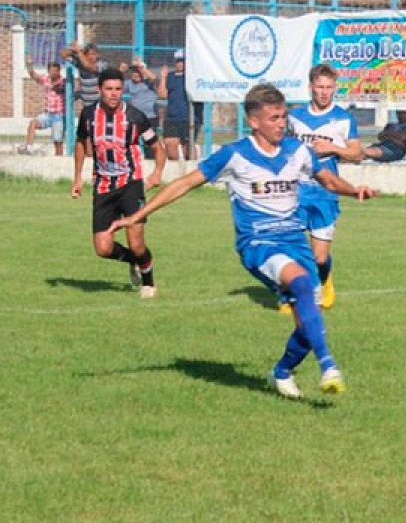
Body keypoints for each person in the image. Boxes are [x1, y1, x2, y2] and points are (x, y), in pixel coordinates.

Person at [107, 84, 378, 397]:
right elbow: (184, 184)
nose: (281, 123)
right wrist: (139, 214)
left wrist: (354, 189)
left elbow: (328, 179)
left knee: (308, 321)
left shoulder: (297, 151)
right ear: (254, 121)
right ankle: (328, 366)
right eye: (274, 117)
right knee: (303, 286)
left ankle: (282, 371)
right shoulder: (234, 154)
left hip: (295, 242)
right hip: (259, 244)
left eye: (283, 116)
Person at [71, 68, 166, 299]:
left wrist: (156, 173)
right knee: (103, 248)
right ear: (99, 90)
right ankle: (135, 262)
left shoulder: (135, 117)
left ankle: (149, 284)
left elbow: (157, 147)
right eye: (109, 89)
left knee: (136, 242)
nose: (114, 94)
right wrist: (77, 178)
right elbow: (81, 143)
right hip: (103, 186)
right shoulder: (89, 115)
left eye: (117, 89)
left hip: (131, 184)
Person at [286, 64, 363, 312]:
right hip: (296, 192)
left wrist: (333, 149)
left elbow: (356, 153)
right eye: (319, 87)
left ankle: (325, 280)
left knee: (319, 257)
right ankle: (295, 296)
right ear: (310, 87)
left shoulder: (343, 119)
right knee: (294, 249)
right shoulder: (295, 117)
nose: (324, 92)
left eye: (329, 87)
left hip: (325, 193)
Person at [19, 58, 66, 156]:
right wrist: (30, 65)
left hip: (59, 115)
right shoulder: (46, 79)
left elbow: (63, 88)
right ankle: (29, 149)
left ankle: (59, 160)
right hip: (47, 114)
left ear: (59, 71)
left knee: (58, 142)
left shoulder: (64, 82)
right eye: (51, 71)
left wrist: (56, 87)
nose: (53, 73)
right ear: (48, 71)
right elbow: (33, 75)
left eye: (56, 71)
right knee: (32, 123)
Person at [121, 57, 160, 159]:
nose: (136, 74)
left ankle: (151, 161)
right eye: (134, 71)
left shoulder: (149, 82)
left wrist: (142, 67)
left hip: (150, 117)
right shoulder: (129, 84)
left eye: (138, 71)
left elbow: (154, 78)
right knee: (132, 140)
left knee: (150, 143)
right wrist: (121, 71)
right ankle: (134, 160)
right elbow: (116, 83)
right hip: (136, 118)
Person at [157, 49, 193, 160]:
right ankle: (175, 172)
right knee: (170, 146)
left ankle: (191, 171)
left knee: (188, 149)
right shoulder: (171, 76)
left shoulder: (192, 77)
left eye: (183, 61)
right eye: (178, 61)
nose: (180, 64)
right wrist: (163, 77)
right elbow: (162, 95)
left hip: (188, 117)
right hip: (171, 117)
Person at [60, 42, 105, 111]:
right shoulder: (80, 64)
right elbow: (63, 54)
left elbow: (88, 66)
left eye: (93, 54)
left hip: (100, 105)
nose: (90, 57)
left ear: (98, 55)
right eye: (88, 54)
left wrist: (79, 52)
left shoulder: (102, 64)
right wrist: (73, 51)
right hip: (87, 105)